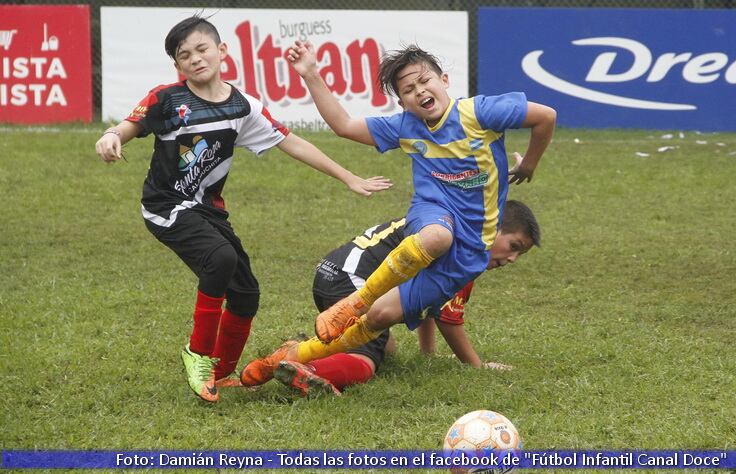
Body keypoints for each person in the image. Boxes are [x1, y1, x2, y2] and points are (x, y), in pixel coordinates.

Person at [94, 15, 391, 403]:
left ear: (221, 51)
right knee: (219, 259)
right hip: (165, 206)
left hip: (208, 210)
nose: (195, 59)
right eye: (185, 56)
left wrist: (347, 176)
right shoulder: (167, 98)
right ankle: (198, 354)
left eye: (202, 49)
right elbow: (130, 125)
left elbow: (291, 142)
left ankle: (219, 373)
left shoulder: (242, 105)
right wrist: (111, 135)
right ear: (177, 66)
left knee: (247, 293)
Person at [242, 42, 555, 373]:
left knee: (380, 316)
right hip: (432, 212)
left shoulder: (480, 112)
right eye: (409, 89)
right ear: (402, 102)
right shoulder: (406, 126)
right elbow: (344, 126)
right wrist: (311, 74)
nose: (419, 91)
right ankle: (352, 303)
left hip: (472, 250)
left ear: (444, 80)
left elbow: (545, 117)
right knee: (436, 238)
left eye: (424, 81)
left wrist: (529, 166)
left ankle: (287, 359)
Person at [242, 200, 541, 395]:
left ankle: (308, 349)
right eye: (513, 245)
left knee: (389, 349)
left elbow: (429, 302)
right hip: (353, 281)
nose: (512, 258)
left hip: (334, 271)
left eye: (520, 253)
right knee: (367, 360)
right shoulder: (464, 254)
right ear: (493, 227)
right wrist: (476, 365)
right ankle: (302, 369)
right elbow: (449, 319)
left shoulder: (450, 223)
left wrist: (428, 353)